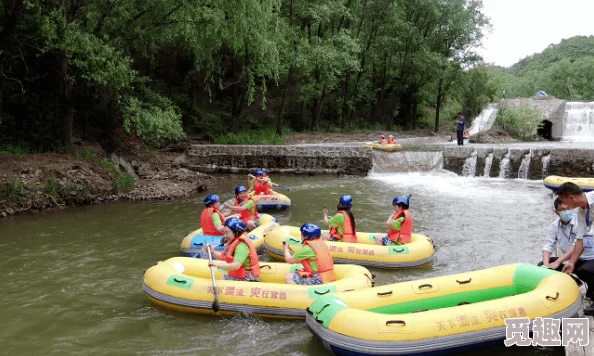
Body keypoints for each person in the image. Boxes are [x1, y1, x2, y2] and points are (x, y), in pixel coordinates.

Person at [556, 182, 594, 314]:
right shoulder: (582, 211)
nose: (566, 207)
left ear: (571, 198)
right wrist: (571, 263)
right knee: (584, 269)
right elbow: (580, 240)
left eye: (563, 201)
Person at [539, 198, 581, 271]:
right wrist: (546, 265)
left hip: (585, 258)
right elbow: (548, 245)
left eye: (568, 208)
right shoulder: (554, 226)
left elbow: (577, 246)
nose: (566, 211)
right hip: (567, 259)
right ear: (556, 212)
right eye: (563, 210)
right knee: (541, 264)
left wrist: (558, 262)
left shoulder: (580, 223)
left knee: (584, 271)